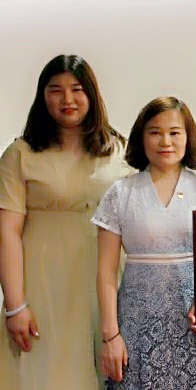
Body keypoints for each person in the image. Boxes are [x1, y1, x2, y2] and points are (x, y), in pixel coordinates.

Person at [0, 55, 130, 389]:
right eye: (55, 90)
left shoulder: (119, 150)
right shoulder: (19, 154)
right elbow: (7, 233)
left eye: (76, 89)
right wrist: (15, 306)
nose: (67, 99)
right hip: (43, 282)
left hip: (107, 280)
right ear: (42, 96)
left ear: (92, 94)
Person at [93, 96, 196, 388]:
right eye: (155, 132)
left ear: (188, 137)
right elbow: (105, 274)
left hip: (195, 324)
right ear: (141, 138)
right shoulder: (120, 194)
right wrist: (110, 335)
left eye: (174, 132)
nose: (165, 141)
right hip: (136, 324)